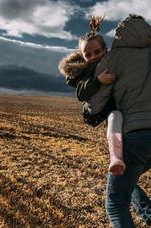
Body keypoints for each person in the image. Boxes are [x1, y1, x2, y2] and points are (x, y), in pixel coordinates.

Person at [83, 14, 151, 227]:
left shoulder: (113, 58)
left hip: (136, 135)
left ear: (119, 34)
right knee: (128, 181)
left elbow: (94, 105)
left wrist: (88, 106)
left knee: (116, 202)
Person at [59, 16, 126, 176]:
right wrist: (98, 81)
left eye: (97, 52)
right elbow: (81, 94)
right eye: (88, 55)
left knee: (117, 117)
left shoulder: (112, 62)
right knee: (115, 117)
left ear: (105, 50)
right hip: (95, 110)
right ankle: (116, 157)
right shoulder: (85, 71)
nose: (93, 57)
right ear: (82, 57)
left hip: (112, 102)